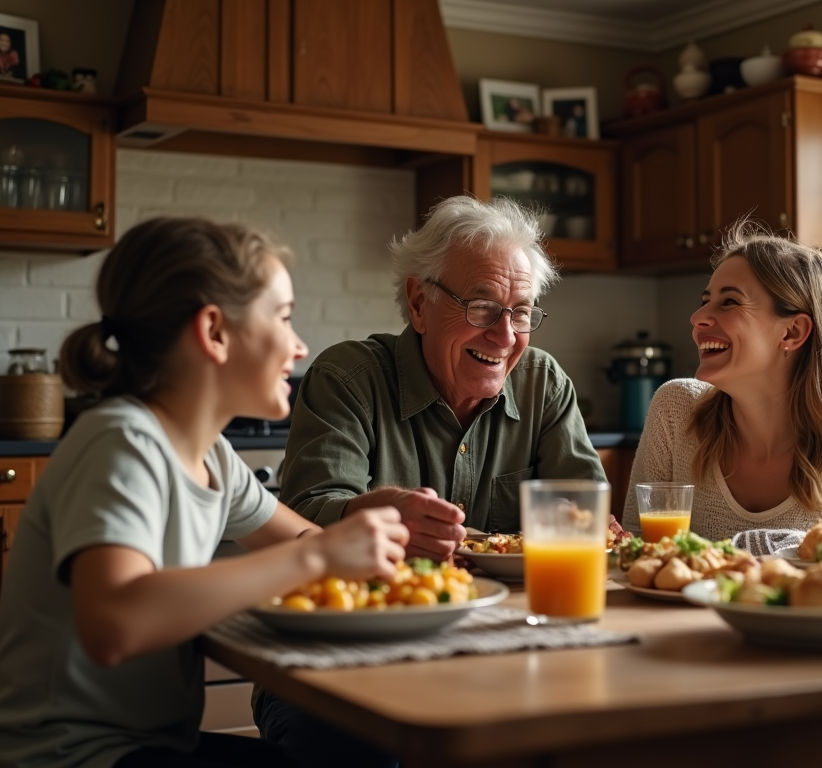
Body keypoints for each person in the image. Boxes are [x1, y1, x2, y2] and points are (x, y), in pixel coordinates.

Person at [0, 218, 409, 768]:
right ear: (214, 332)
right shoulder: (122, 442)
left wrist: (375, 542)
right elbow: (114, 623)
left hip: (149, 748)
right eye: (283, 317)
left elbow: (307, 538)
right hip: (68, 757)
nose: (300, 344)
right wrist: (319, 554)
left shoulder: (211, 455)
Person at [259, 195, 605, 764]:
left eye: (521, 312)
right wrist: (372, 515)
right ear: (419, 303)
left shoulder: (544, 383)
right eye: (482, 306)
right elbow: (303, 517)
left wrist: (590, 524)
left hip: (503, 653)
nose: (505, 335)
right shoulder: (349, 377)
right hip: (346, 659)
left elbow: (585, 518)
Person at [622, 220, 822, 555]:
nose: (698, 317)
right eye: (706, 300)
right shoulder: (676, 410)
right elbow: (635, 551)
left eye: (729, 302)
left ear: (792, 333)